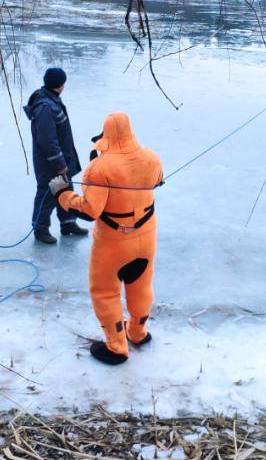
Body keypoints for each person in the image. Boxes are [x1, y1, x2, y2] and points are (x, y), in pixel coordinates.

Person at [49, 112, 163, 365]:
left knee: (105, 292)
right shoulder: (152, 157)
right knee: (141, 285)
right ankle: (137, 332)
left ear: (106, 135)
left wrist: (62, 194)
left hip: (114, 243)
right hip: (146, 237)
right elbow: (158, 181)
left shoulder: (99, 168)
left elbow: (90, 211)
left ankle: (116, 348)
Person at [23, 67, 88, 244]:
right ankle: (40, 229)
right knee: (47, 194)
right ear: (60, 85)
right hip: (49, 164)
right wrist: (59, 164)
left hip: (61, 160)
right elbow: (47, 140)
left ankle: (68, 224)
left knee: (66, 190)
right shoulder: (45, 107)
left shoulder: (52, 100)